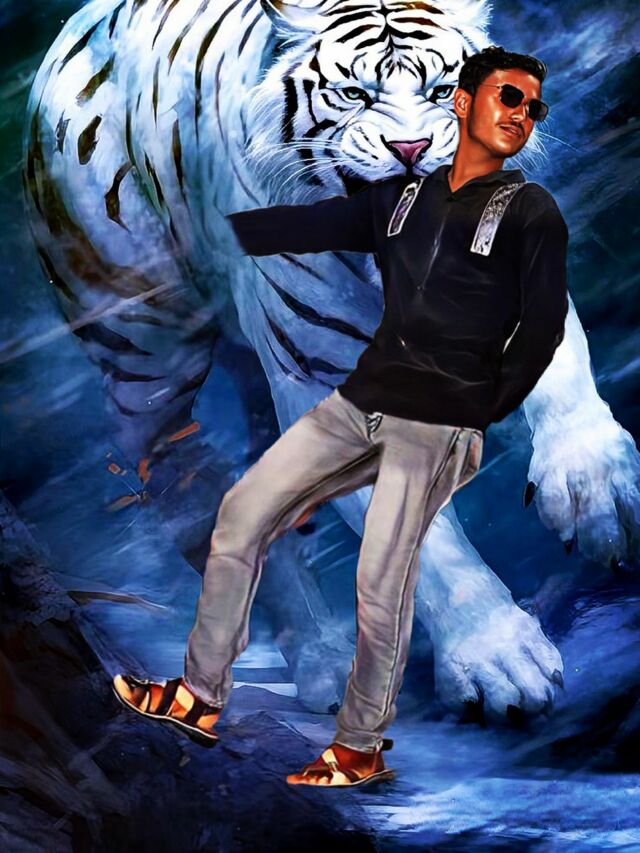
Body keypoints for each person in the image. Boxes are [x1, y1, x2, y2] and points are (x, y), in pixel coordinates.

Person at [113, 45, 569, 788]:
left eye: (530, 107)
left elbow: (543, 328)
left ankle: (357, 747)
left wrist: (479, 406)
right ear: (460, 104)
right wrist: (190, 209)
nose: (519, 117)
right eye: (505, 99)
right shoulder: (397, 195)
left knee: (383, 574)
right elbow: (273, 232)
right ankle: (198, 695)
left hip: (435, 421)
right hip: (357, 404)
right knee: (242, 516)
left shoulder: (527, 212)